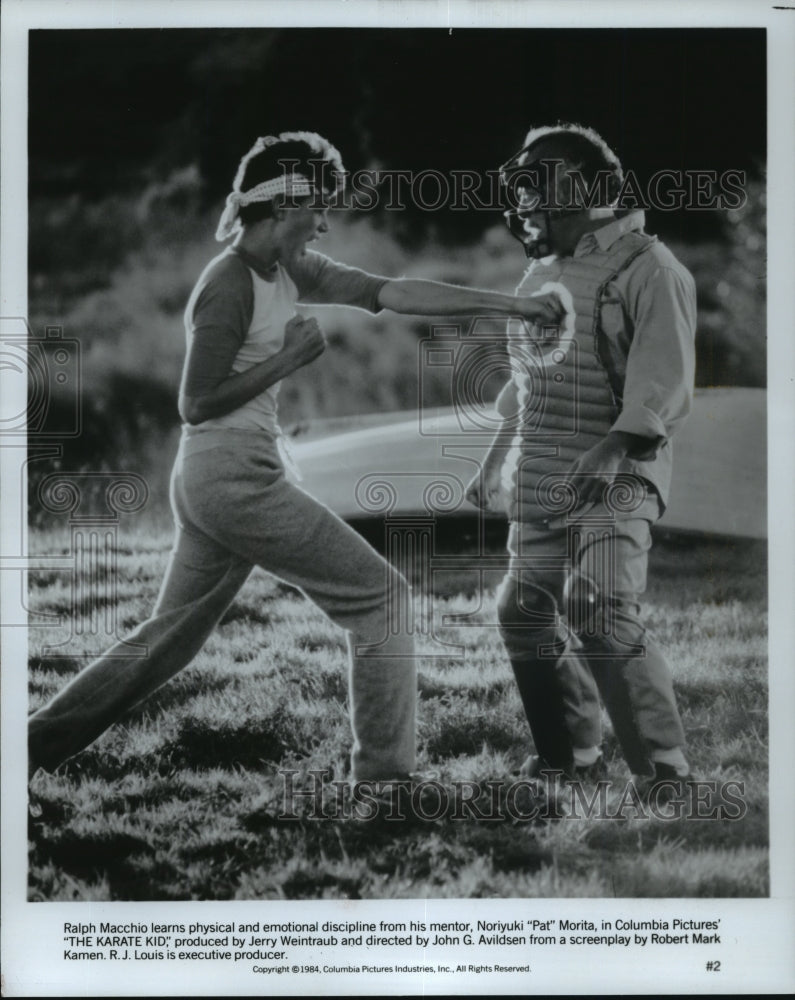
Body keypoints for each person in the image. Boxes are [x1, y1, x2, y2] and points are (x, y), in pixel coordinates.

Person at [28, 130, 564, 787]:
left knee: (166, 640)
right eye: (317, 208)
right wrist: (289, 359)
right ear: (283, 205)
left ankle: (32, 747)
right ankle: (385, 781)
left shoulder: (286, 269)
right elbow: (194, 402)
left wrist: (511, 304)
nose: (325, 222)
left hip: (215, 477)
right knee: (383, 600)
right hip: (230, 475)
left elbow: (395, 292)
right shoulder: (227, 283)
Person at [466, 123, 696, 794]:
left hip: (618, 475)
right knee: (522, 610)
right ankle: (571, 755)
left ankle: (665, 770)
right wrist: (490, 461)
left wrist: (608, 451)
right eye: (524, 176)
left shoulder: (649, 268)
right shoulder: (543, 271)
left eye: (541, 175)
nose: (526, 191)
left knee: (595, 606)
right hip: (543, 474)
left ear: (584, 187)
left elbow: (664, 385)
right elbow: (529, 381)